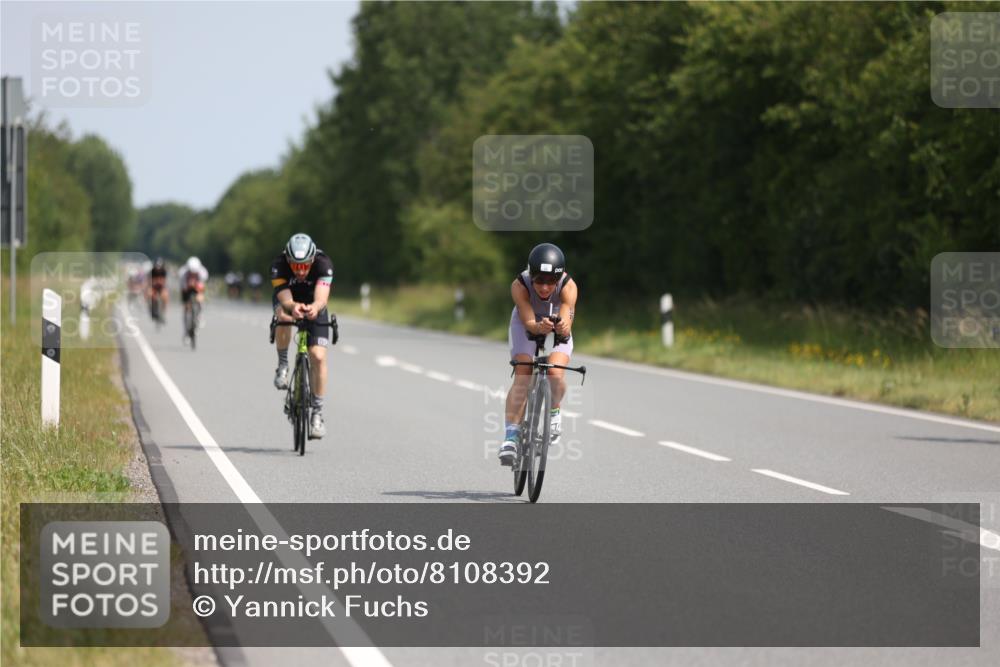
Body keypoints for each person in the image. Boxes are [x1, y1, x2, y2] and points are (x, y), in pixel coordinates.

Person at [498, 243, 578, 466]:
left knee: (555, 372)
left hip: (555, 323)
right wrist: (537, 327)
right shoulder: (519, 285)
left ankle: (554, 410)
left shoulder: (569, 287)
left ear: (559, 277)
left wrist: (562, 327)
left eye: (551, 281)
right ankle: (511, 437)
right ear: (530, 275)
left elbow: (566, 322)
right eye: (539, 280)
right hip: (527, 322)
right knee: (523, 372)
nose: (544, 287)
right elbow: (528, 321)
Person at [270, 233, 335, 439]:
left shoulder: (323, 264)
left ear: (312, 259)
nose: (300, 271)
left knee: (318, 357)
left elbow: (321, 298)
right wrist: (292, 307)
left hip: (314, 302)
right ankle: (283, 365)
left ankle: (317, 414)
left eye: (305, 265)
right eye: (295, 266)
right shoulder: (279, 265)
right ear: (288, 260)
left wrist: (315, 307)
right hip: (289, 301)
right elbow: (285, 299)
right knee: (283, 317)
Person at [179, 257, 208, 339]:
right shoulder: (182, 273)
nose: (193, 274)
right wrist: (189, 286)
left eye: (194, 273)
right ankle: (186, 329)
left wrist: (196, 287)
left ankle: (199, 316)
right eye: (191, 273)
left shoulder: (203, 273)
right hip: (186, 289)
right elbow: (183, 288)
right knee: (186, 307)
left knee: (200, 298)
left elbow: (201, 287)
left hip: (197, 288)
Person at [148, 257, 169, 322]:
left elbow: (165, 281)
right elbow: (149, 281)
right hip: (153, 287)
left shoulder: (164, 271)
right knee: (149, 294)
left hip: (161, 287)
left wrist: (160, 282)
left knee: (165, 297)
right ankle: (151, 308)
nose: (158, 269)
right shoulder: (152, 271)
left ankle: (163, 312)